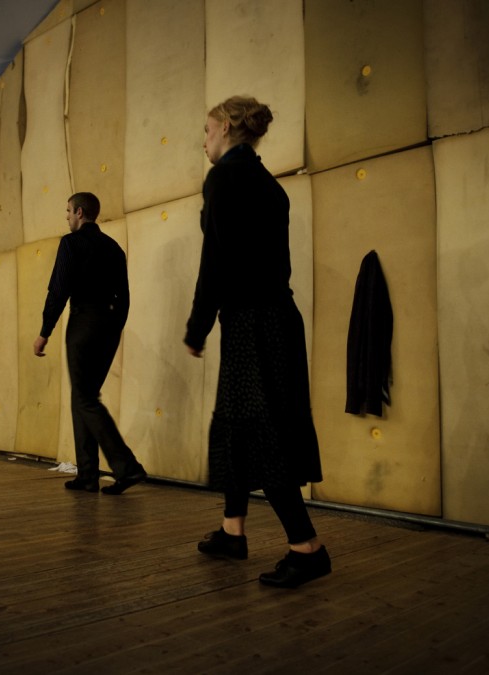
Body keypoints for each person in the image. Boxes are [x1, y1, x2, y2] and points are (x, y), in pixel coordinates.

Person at [185, 96, 330, 588]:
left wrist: (196, 326)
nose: (203, 142)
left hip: (252, 321)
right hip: (274, 319)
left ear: (226, 128)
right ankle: (232, 531)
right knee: (235, 427)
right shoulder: (269, 185)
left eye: (206, 132)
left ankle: (306, 548)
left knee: (264, 432)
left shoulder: (225, 177)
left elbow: (216, 262)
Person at [34, 192, 147, 495]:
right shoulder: (114, 249)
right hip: (109, 325)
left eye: (68, 211)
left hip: (83, 322)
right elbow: (124, 297)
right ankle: (87, 475)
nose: (67, 217)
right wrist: (114, 327)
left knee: (84, 398)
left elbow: (59, 290)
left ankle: (127, 467)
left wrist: (45, 330)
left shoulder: (71, 243)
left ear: (80, 212)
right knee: (83, 396)